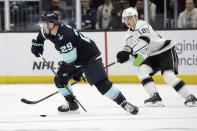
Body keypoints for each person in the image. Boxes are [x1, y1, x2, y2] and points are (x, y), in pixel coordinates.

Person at [31, 11, 138, 114]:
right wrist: (38, 45)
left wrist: (73, 72)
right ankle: (72, 104)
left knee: (101, 84)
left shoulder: (65, 37)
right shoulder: (48, 31)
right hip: (76, 58)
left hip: (90, 57)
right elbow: (41, 36)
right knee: (59, 80)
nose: (42, 26)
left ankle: (124, 103)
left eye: (44, 24)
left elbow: (70, 61)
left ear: (51, 24)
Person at [116, 7, 197, 107]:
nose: (127, 21)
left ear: (136, 17)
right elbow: (135, 59)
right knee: (141, 70)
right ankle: (155, 98)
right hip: (148, 54)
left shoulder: (142, 24)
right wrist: (125, 58)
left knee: (168, 76)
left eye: (129, 18)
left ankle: (190, 97)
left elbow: (144, 41)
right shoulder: (128, 36)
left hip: (164, 50)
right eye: (125, 19)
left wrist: (129, 51)